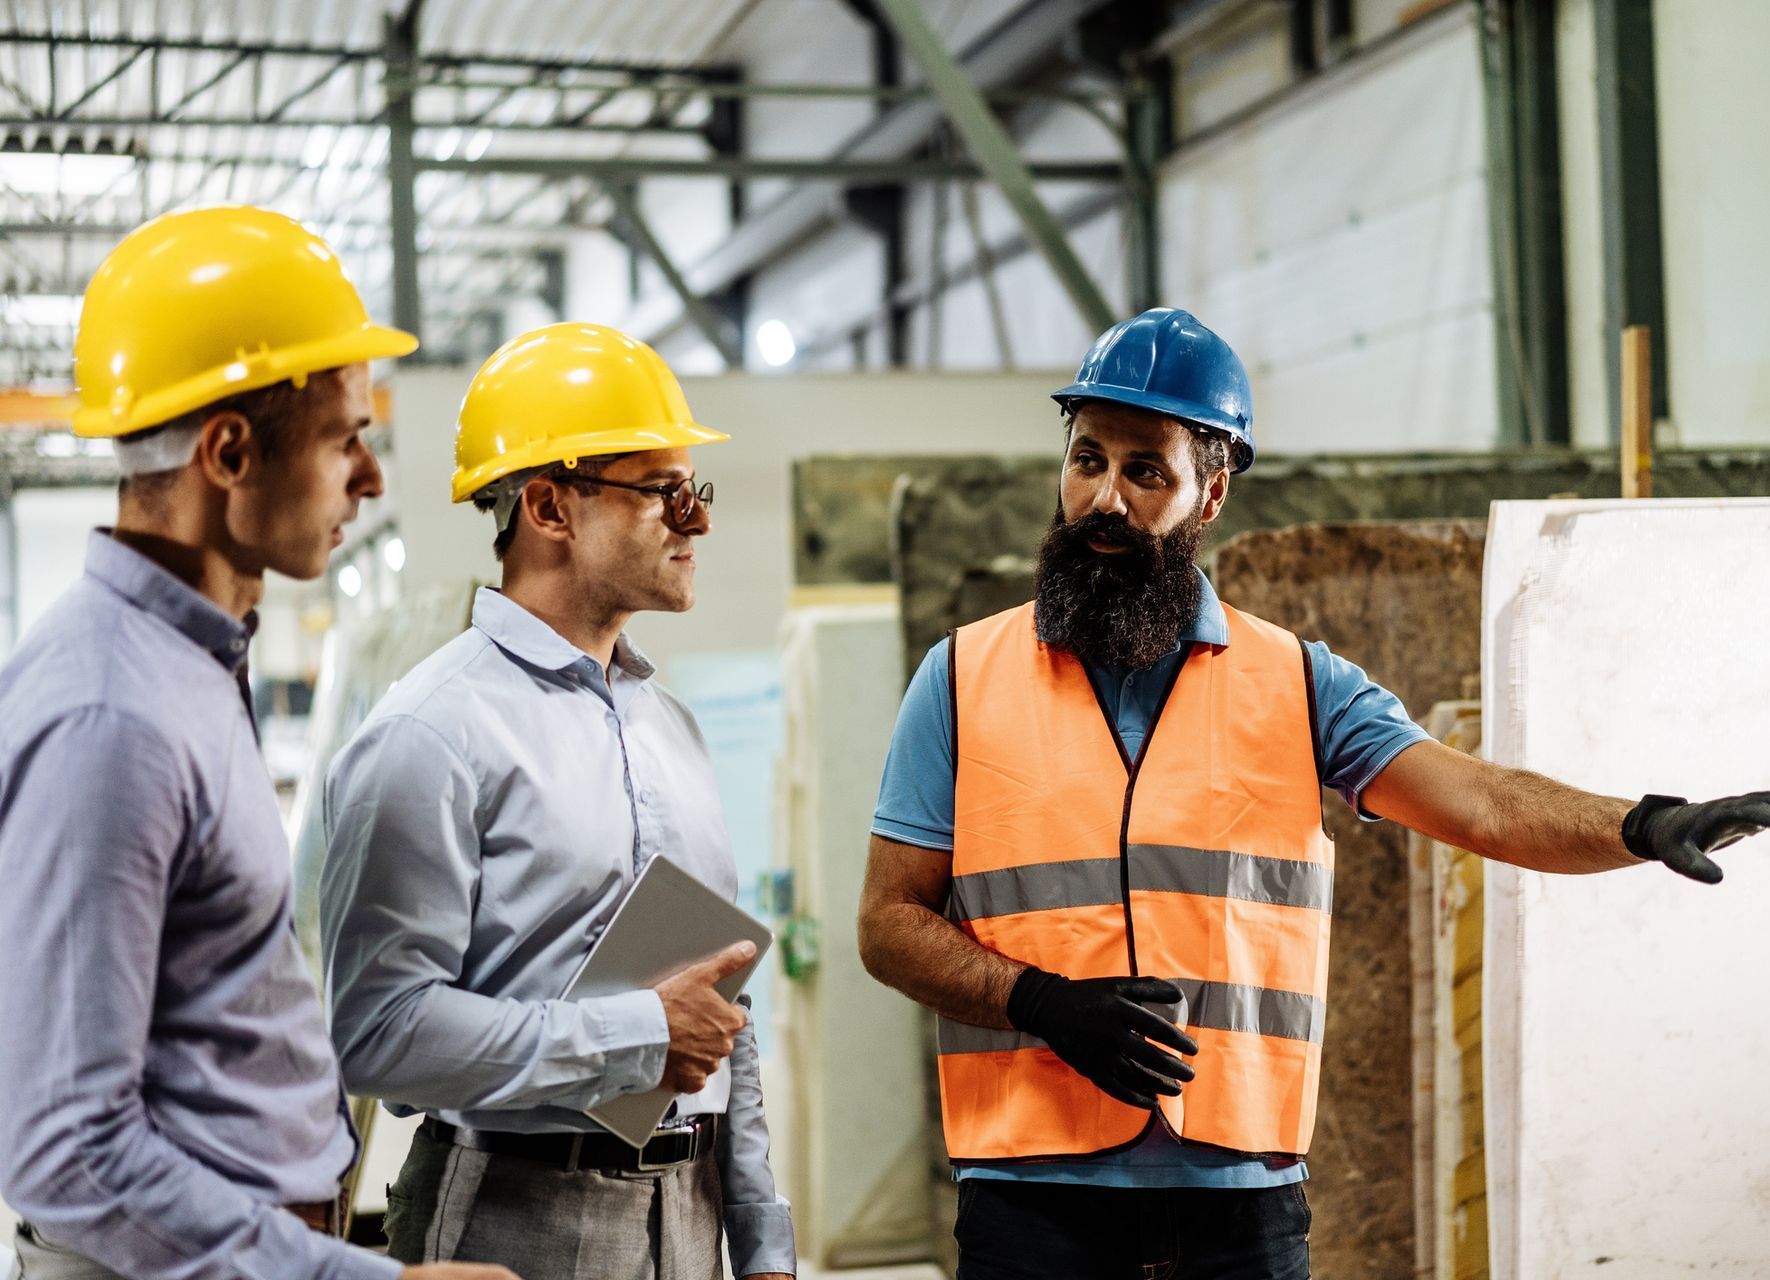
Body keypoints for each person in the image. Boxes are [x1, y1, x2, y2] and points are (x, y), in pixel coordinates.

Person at [855, 307, 1770, 1280]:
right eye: (1087, 458)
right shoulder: (959, 678)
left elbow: (1478, 803)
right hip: (1030, 1202)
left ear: (1211, 494)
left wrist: (1640, 822)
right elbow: (887, 921)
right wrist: (1041, 1001)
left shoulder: (1297, 682)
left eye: (1146, 469)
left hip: (1239, 1211)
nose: (1105, 498)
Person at [0, 205, 514, 1280]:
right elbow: (65, 1147)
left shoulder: (189, 663)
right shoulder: (111, 714)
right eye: (345, 437)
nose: (369, 479)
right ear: (228, 451)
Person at [318, 323, 795, 1280]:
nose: (695, 520)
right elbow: (375, 1031)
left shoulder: (674, 731)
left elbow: (717, 1011)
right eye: (663, 492)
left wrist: (763, 1239)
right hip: (514, 1213)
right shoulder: (432, 734)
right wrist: (639, 1031)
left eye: (691, 491)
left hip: (695, 1217)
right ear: (549, 507)